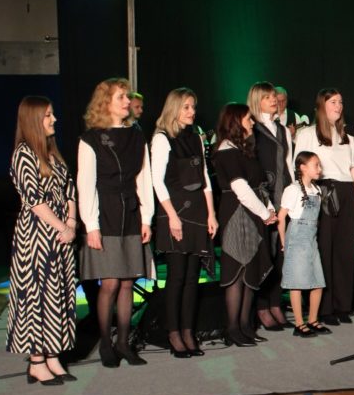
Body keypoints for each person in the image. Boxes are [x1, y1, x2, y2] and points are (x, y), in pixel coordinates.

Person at [77, 78, 154, 367]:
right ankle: (105, 344)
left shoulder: (136, 134)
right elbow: (86, 185)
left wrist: (146, 217)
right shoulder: (91, 139)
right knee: (109, 282)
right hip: (105, 213)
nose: (127, 101)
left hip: (131, 212)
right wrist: (91, 225)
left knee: (127, 281)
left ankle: (123, 341)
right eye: (121, 97)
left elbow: (143, 179)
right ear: (105, 103)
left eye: (126, 96)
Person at [8, 96, 78, 385]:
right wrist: (62, 226)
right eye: (48, 115)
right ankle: (36, 361)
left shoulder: (52, 152)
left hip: (61, 234)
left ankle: (53, 355)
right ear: (34, 120)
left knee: (58, 294)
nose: (54, 119)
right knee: (37, 295)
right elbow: (35, 201)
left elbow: (70, 188)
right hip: (37, 236)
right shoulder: (23, 154)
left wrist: (72, 223)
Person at [151, 88, 217, 358]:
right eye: (187, 107)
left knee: (193, 278)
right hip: (175, 211)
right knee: (177, 277)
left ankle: (188, 331)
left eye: (193, 106)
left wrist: (212, 213)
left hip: (198, 212)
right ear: (175, 108)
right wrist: (173, 217)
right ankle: (173, 332)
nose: (192, 111)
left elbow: (205, 177)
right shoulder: (161, 139)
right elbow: (157, 181)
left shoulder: (196, 137)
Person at [295, 88, 354, 325]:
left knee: (345, 252)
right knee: (324, 251)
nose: (338, 106)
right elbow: (298, 168)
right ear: (321, 105)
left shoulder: (347, 135)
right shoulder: (308, 133)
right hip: (323, 193)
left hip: (347, 192)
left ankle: (342, 305)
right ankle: (323, 308)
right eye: (333, 102)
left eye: (341, 102)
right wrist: (305, 199)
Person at [212, 104, 276, 346]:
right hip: (238, 214)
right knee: (236, 272)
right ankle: (232, 328)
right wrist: (264, 213)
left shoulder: (245, 150)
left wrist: (268, 208)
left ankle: (246, 325)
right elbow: (241, 189)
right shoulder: (226, 151)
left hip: (253, 213)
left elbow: (258, 185)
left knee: (251, 270)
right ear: (236, 122)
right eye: (248, 119)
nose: (252, 123)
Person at [248, 81, 292, 332]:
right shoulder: (251, 128)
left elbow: (288, 163)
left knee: (281, 253)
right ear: (257, 101)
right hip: (262, 197)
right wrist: (264, 201)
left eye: (274, 97)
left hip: (282, 194)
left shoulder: (282, 129)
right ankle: (261, 307)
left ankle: (276, 303)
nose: (273, 100)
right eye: (267, 98)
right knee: (264, 252)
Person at [277, 151, 330, 337]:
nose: (319, 169)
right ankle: (299, 324)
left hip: (311, 238)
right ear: (303, 168)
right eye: (316, 165)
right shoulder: (292, 190)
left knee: (318, 282)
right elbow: (281, 217)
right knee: (297, 283)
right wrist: (284, 242)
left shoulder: (316, 190)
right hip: (297, 237)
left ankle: (313, 319)